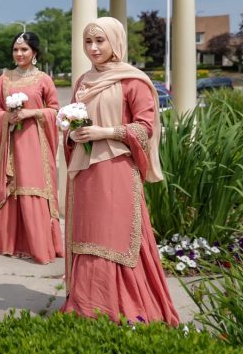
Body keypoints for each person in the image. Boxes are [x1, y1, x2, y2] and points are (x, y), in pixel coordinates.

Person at [60, 17, 179, 325]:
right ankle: (85, 305)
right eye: (88, 41)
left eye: (100, 40)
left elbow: (145, 128)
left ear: (115, 41)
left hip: (116, 169)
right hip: (85, 171)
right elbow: (72, 122)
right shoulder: (83, 81)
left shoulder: (133, 80)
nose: (93, 48)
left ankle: (123, 306)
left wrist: (105, 132)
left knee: (116, 233)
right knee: (86, 233)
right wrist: (73, 134)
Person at [0, 32, 64, 264]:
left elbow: (55, 110)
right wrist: (7, 117)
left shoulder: (43, 79)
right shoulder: (4, 79)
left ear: (34, 52)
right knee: (14, 188)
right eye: (16, 49)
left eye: (24, 49)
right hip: (12, 145)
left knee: (35, 188)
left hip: (36, 144)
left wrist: (31, 113)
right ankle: (13, 243)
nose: (19, 53)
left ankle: (40, 246)